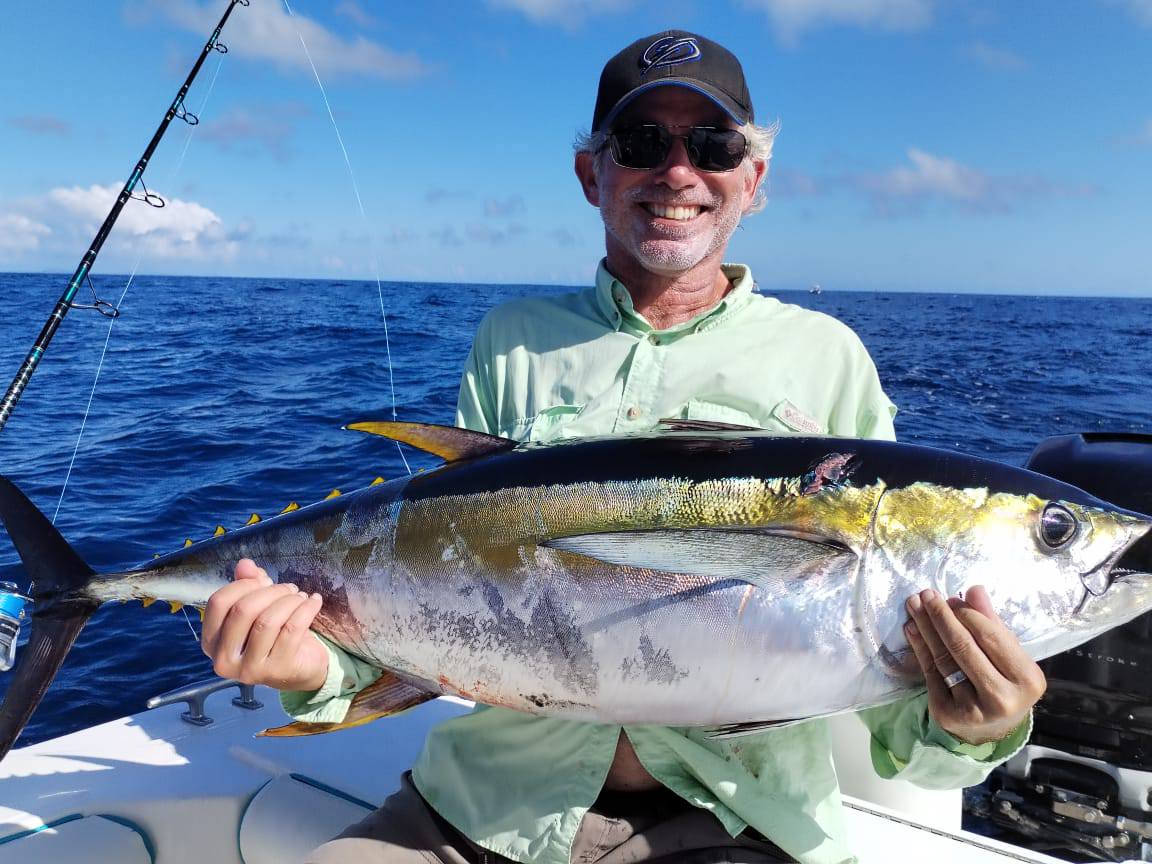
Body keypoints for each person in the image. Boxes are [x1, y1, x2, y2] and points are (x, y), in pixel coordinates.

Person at [201, 30, 1046, 864]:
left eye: (713, 145)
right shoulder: (515, 341)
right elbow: (445, 579)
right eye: (642, 142)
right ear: (590, 173)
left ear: (753, 181)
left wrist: (975, 723)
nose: (677, 172)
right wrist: (319, 671)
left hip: (737, 819)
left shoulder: (827, 358)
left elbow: (882, 671)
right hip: (486, 804)